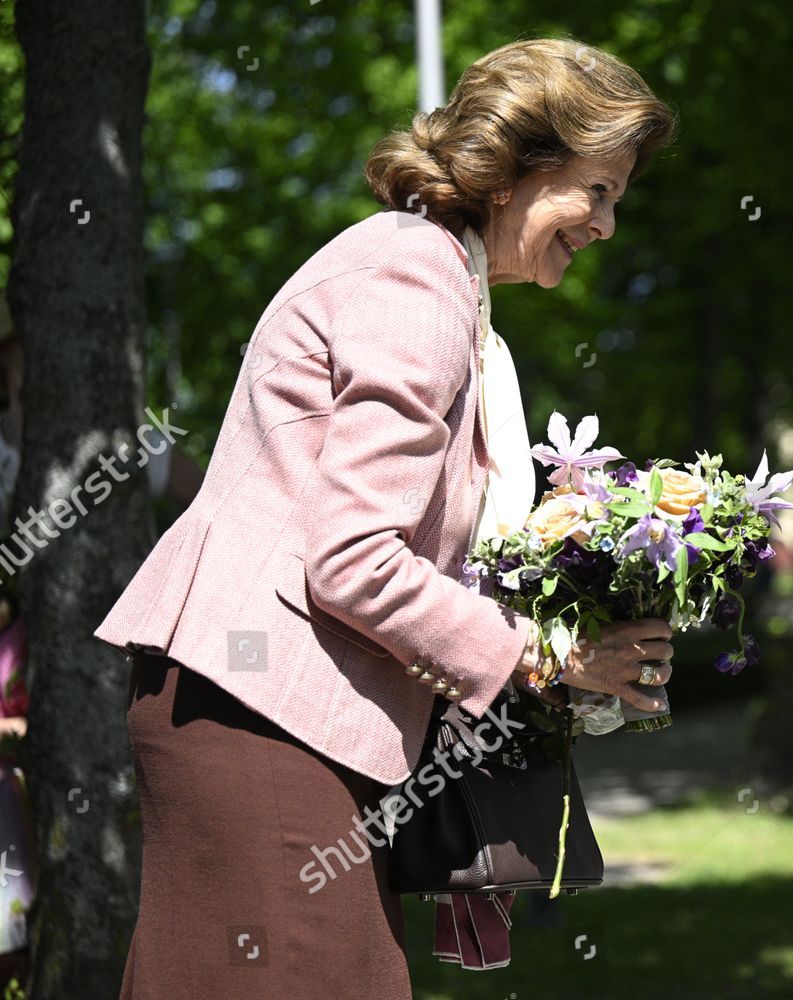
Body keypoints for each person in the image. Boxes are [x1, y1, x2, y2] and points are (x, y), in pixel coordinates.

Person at [92, 38, 678, 998]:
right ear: (518, 167)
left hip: (270, 710)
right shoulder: (418, 278)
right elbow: (357, 559)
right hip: (256, 702)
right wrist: (545, 653)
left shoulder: (431, 276)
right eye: (599, 190)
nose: (608, 225)